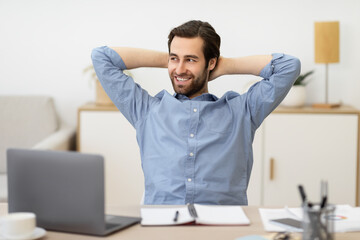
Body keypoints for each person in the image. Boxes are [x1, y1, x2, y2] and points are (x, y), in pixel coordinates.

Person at [91, 20, 301, 205]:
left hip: (224, 228)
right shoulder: (146, 110)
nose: (180, 70)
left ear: (211, 62)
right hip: (161, 226)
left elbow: (289, 66)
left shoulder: (242, 112)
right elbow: (101, 57)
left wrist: (225, 65)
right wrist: (171, 60)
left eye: (191, 60)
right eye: (175, 58)